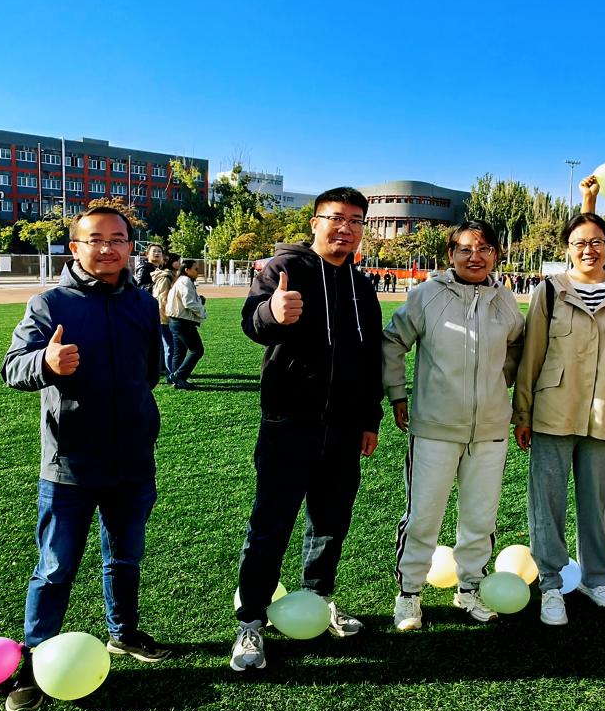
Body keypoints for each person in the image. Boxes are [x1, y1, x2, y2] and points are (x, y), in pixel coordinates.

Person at [0, 205, 170, 711]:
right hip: (69, 465)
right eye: (95, 239)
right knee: (55, 568)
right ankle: (36, 660)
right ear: (75, 248)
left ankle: (124, 632)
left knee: (125, 557)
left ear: (130, 247)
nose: (108, 248)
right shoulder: (49, 303)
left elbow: (150, 373)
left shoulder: (143, 304)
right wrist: (46, 363)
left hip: (133, 461)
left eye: (118, 239)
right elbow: (12, 368)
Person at [231, 187, 382, 672]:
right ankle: (251, 621)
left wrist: (370, 419)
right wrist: (272, 314)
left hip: (345, 428)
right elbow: (252, 322)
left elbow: (371, 358)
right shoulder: (284, 269)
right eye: (336, 218)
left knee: (330, 522)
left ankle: (319, 599)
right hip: (288, 423)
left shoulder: (362, 286)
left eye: (355, 221)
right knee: (270, 525)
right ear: (315, 223)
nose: (346, 228)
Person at [382, 220, 525, 630]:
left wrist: (500, 383)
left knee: (480, 518)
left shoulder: (505, 299)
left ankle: (470, 589)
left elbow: (517, 345)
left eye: (484, 249)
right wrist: (398, 394)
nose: (474, 257)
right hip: (435, 428)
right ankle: (409, 594)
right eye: (465, 249)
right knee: (423, 517)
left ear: (495, 254)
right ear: (451, 255)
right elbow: (392, 341)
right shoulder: (426, 295)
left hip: (490, 431)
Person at [513, 213, 605, 627]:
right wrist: (523, 413)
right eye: (579, 243)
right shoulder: (550, 290)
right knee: (547, 503)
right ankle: (551, 584)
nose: (589, 250)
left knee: (596, 503)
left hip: (604, 415)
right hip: (552, 413)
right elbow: (531, 355)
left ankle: (595, 579)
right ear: (567, 248)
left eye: (596, 242)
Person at [166, 259, 207, 390]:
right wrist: (202, 312)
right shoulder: (185, 281)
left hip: (176, 321)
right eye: (195, 269)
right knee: (197, 350)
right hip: (183, 322)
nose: (197, 272)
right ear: (187, 270)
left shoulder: (181, 280)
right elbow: (189, 302)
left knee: (179, 352)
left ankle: (176, 379)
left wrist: (199, 300)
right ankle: (178, 376)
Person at [151, 253, 181, 381]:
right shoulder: (165, 277)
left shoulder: (172, 275)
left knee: (171, 346)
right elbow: (161, 298)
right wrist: (167, 316)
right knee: (170, 346)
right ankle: (170, 375)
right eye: (178, 261)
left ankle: (172, 372)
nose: (180, 263)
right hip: (165, 318)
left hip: (169, 316)